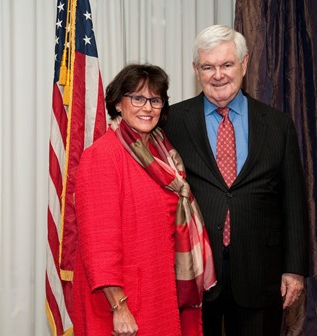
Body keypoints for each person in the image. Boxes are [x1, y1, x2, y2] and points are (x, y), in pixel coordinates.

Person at [163, 25, 309, 336]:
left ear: (244, 63)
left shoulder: (278, 125)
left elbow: (293, 202)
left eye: (227, 64)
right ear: (195, 69)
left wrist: (295, 269)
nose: (218, 75)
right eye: (208, 66)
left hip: (261, 268)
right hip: (196, 270)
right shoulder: (172, 122)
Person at [72, 63, 216, 336]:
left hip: (160, 289)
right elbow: (99, 245)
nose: (147, 107)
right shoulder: (102, 156)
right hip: (123, 301)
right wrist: (119, 307)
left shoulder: (163, 152)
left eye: (155, 99)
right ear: (117, 103)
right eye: (137, 98)